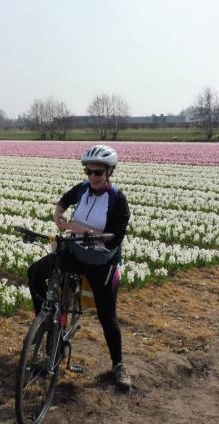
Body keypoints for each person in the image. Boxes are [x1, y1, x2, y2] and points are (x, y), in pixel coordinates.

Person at [27, 144, 132, 391]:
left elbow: (114, 239)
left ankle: (118, 365)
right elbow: (64, 200)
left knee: (107, 317)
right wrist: (58, 213)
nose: (92, 177)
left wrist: (81, 229)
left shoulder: (117, 200)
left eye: (98, 172)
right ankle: (46, 324)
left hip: (101, 261)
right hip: (74, 252)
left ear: (109, 173)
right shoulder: (83, 189)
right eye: (89, 171)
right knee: (35, 273)